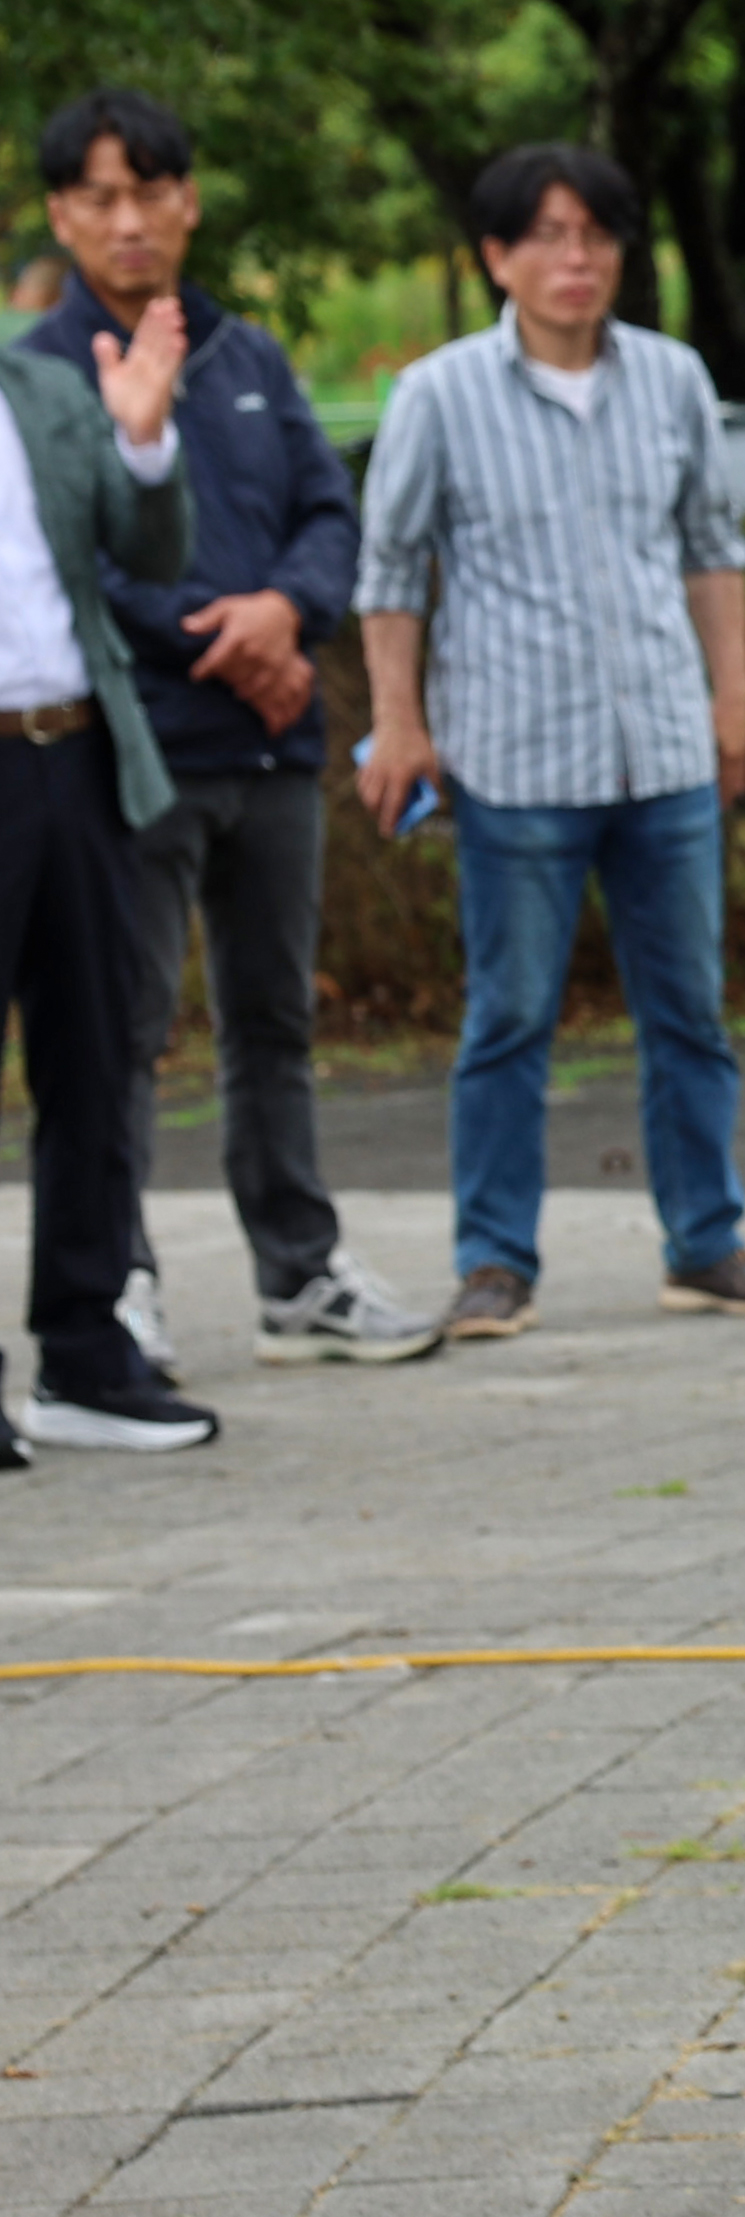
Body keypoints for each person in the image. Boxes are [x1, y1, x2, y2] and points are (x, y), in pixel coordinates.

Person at [351, 143, 745, 1339]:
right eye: (547, 235)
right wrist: (399, 721)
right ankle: (496, 1261)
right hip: (513, 759)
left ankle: (705, 1242)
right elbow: (390, 571)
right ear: (497, 255)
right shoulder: (438, 394)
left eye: (596, 234)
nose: (575, 257)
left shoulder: (671, 380)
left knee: (691, 1012)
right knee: (507, 1018)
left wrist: (732, 699)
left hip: (660, 749)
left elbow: (713, 547)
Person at [28, 93, 445, 1377]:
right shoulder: (41, 374)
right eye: (99, 196)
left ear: (190, 202)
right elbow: (72, 558)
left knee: (273, 1022)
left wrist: (285, 611)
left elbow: (332, 510)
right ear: (58, 214)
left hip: (271, 751)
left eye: (152, 191)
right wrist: (233, 638)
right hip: (138, 750)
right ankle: (121, 1286)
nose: (129, 219)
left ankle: (299, 1270)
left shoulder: (251, 357)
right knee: (120, 1031)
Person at [0, 264, 202, 1463]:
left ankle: (84, 1354)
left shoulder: (45, 388)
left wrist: (141, 436)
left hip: (71, 754)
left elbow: (155, 549)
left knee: (93, 1061)